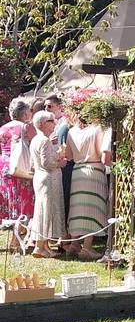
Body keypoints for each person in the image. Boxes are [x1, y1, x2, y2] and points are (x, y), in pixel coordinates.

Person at [66, 112, 112, 260]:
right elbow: (104, 157)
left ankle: (74, 243)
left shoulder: (72, 131)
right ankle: (87, 247)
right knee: (93, 208)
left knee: (77, 208)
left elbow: (68, 155)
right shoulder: (99, 128)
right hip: (94, 170)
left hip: (77, 171)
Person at [28, 111, 66, 258]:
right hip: (48, 179)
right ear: (42, 124)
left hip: (41, 177)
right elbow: (47, 163)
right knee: (45, 211)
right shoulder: (43, 140)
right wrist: (60, 162)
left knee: (45, 210)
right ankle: (39, 246)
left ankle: (44, 246)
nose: (54, 123)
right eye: (51, 121)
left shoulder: (37, 139)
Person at [0, 98, 36, 224]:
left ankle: (10, 225)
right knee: (24, 197)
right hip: (21, 165)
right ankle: (18, 234)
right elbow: (35, 145)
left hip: (5, 165)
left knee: (10, 196)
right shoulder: (26, 127)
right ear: (25, 114)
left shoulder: (2, 128)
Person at [47, 96, 74, 226]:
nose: (47, 109)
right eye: (45, 106)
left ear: (59, 106)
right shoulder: (55, 123)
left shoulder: (64, 124)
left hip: (64, 164)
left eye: (50, 106)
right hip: (56, 164)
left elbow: (63, 145)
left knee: (64, 196)